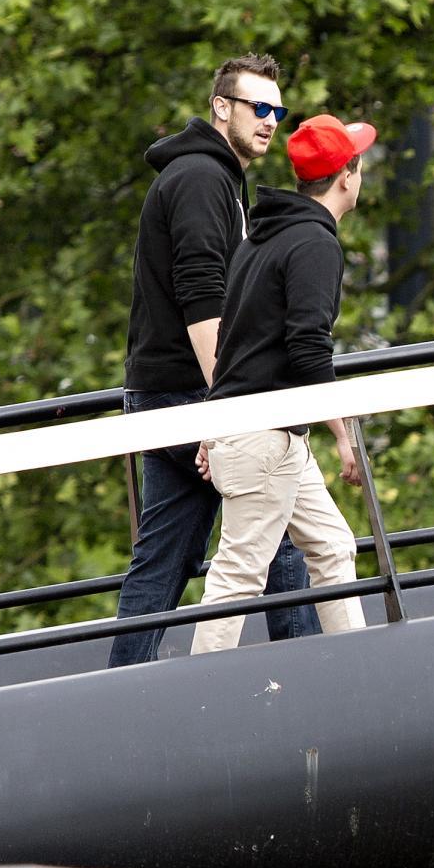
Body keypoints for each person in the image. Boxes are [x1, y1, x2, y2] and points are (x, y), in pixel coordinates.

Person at [107, 56, 320, 667]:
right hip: (189, 392)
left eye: (278, 111)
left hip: (167, 392)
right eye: (259, 107)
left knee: (165, 557)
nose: (271, 121)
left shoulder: (214, 176)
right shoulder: (203, 178)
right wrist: (228, 409)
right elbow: (202, 300)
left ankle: (122, 692)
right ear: (221, 106)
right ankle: (309, 675)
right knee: (276, 532)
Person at [191, 113, 377, 655]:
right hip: (267, 437)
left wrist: (213, 424)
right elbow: (308, 348)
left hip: (265, 434)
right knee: (240, 573)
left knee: (333, 546)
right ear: (346, 176)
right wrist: (345, 435)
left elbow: (235, 342)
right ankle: (197, 697)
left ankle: (357, 667)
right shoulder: (315, 245)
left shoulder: (261, 237)